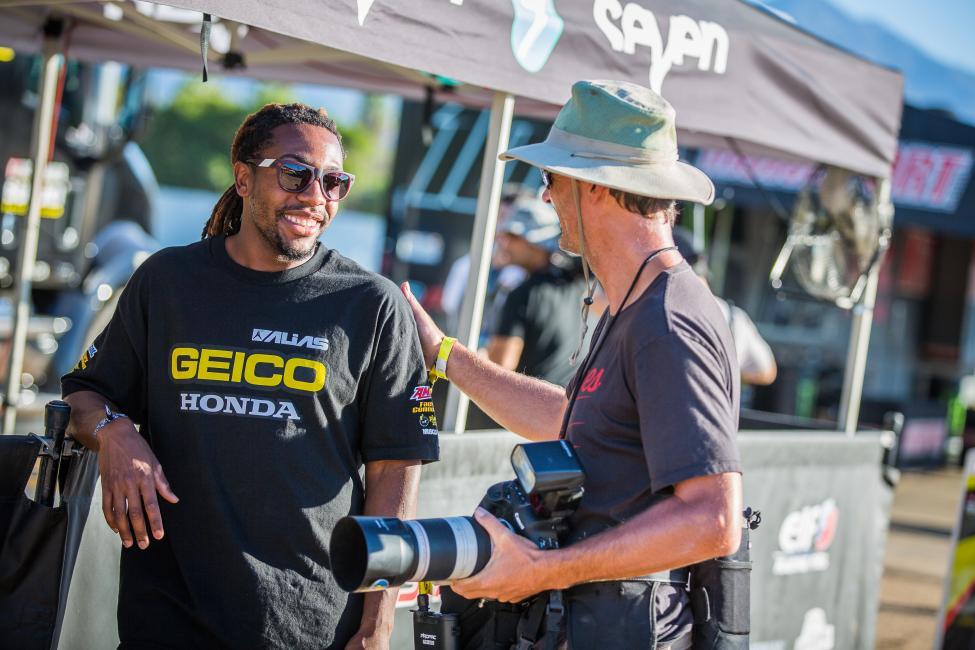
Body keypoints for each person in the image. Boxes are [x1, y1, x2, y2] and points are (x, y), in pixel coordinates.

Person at [61, 103, 439, 650]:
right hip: (166, 622)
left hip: (308, 627)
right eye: (295, 173)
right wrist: (114, 430)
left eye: (334, 182)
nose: (315, 196)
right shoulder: (168, 282)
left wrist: (376, 625)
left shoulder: (371, 304)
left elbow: (395, 473)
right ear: (243, 177)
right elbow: (83, 392)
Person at [401, 80, 743, 648]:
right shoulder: (635, 303)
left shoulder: (668, 318)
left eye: (550, 180)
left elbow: (713, 519)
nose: (545, 199)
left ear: (596, 187)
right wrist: (443, 355)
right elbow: (572, 420)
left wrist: (542, 570)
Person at [487, 198, 586, 387]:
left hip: (529, 407)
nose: (505, 243)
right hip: (571, 406)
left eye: (514, 236)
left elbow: (499, 371)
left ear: (536, 243)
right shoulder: (577, 285)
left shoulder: (522, 294)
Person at [673, 226, 777, 386]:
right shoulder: (735, 317)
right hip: (720, 408)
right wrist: (728, 377)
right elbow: (766, 371)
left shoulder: (668, 312)